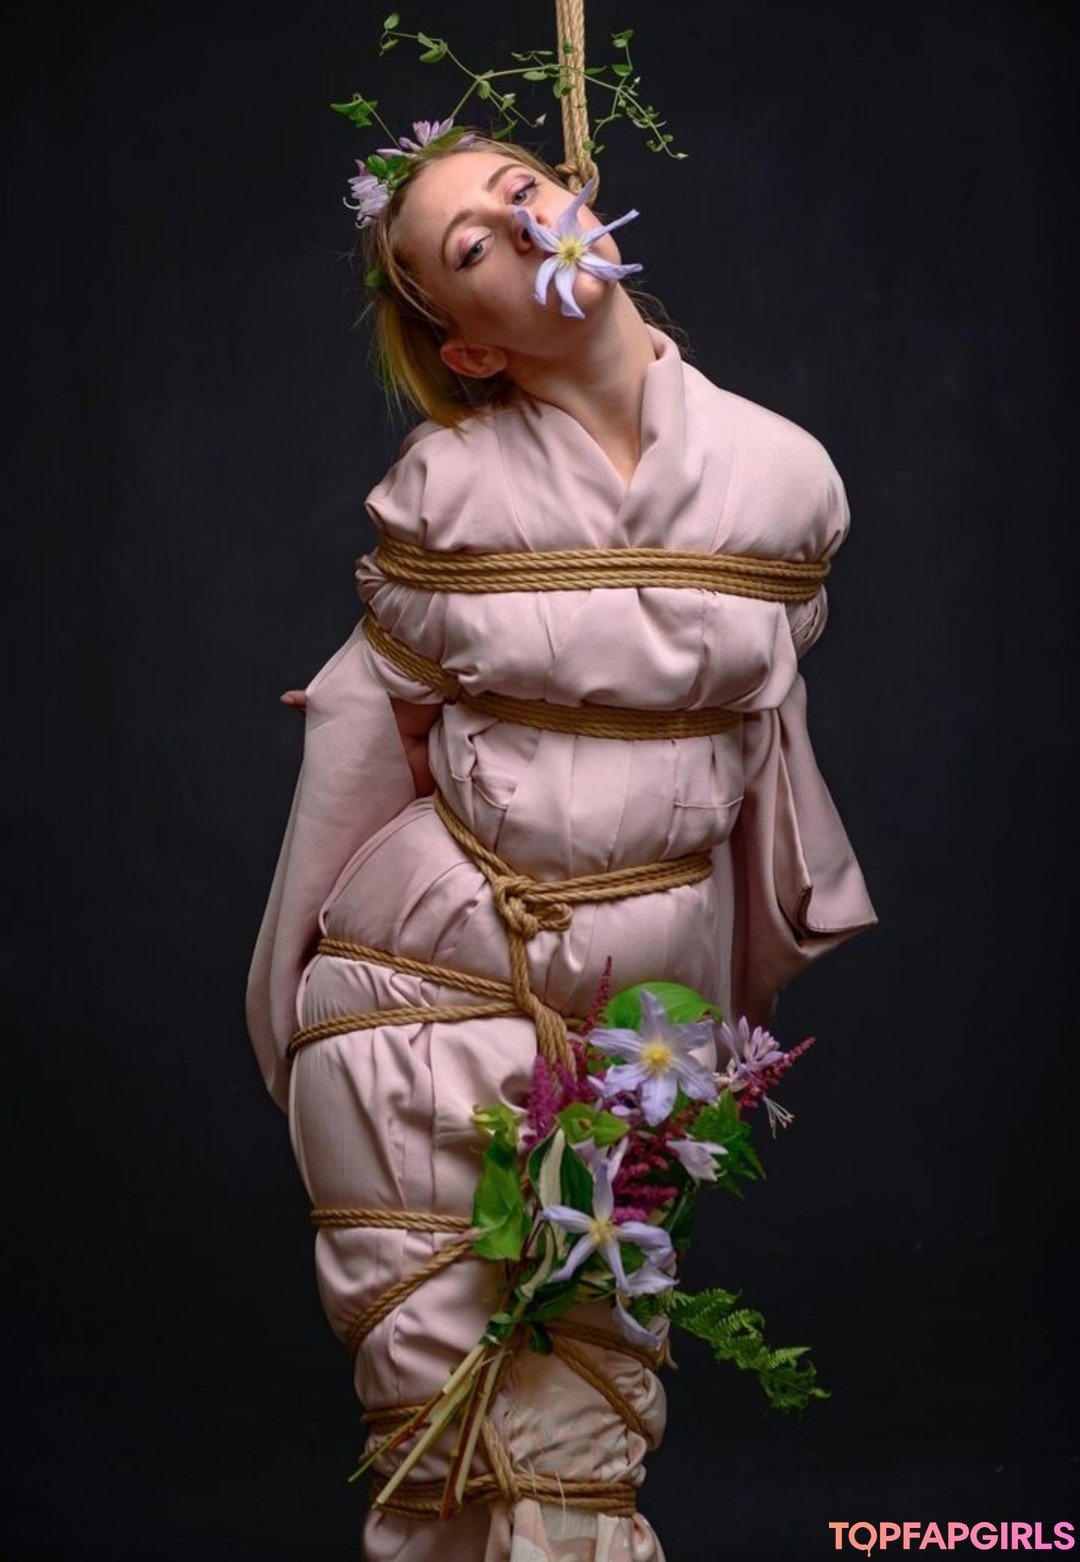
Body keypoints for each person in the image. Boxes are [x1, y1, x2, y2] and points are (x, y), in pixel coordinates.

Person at [246, 128, 877, 1562]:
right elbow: (395, 701)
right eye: (471, 243)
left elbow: (754, 719)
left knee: (584, 1457)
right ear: (469, 347)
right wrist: (349, 701)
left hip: (641, 1027)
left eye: (524, 187)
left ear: (586, 203)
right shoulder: (443, 490)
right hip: (422, 995)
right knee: (448, 1458)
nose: (521, 224)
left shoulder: (789, 480)